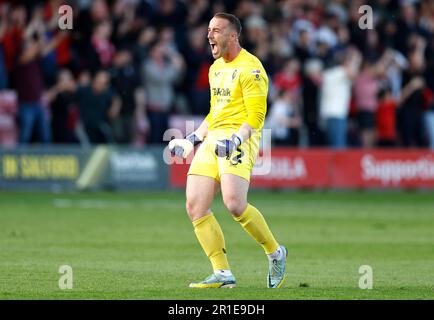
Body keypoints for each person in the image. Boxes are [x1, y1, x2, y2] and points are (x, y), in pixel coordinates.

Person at [168, 13, 287, 289]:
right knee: (195, 205)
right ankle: (222, 273)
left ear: (233, 36)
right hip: (213, 139)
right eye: (209, 30)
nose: (209, 35)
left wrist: (235, 140)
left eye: (216, 30)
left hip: (239, 138)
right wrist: (192, 139)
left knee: (234, 204)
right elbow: (214, 113)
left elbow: (257, 116)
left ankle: (275, 252)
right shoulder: (215, 68)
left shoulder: (252, 69)